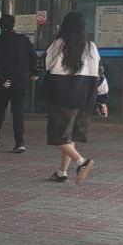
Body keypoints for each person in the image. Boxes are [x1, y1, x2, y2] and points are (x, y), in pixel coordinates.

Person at [40, 11, 109, 184]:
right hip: (84, 99)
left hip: (61, 97)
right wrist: (103, 99)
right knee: (68, 136)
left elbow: (45, 64)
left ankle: (81, 162)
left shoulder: (59, 44)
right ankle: (61, 172)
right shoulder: (91, 47)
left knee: (57, 137)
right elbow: (100, 75)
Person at [0, 14, 39, 153]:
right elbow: (34, 57)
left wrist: (2, 80)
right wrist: (34, 73)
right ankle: (19, 142)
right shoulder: (23, 40)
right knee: (18, 112)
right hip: (21, 81)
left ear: (0, 25)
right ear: (14, 24)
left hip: (4, 83)